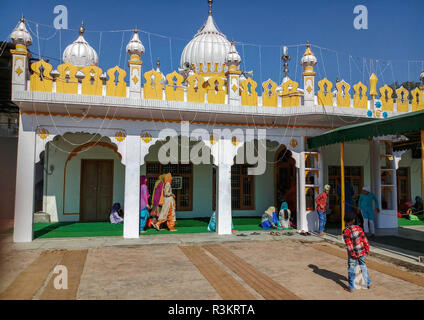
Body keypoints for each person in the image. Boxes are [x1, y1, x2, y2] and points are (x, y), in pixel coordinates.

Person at [343, 211, 371, 292]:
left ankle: (351, 287)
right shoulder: (359, 228)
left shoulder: (346, 231)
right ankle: (368, 283)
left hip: (353, 254)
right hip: (362, 252)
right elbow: (364, 239)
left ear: (345, 221)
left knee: (352, 269)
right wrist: (367, 249)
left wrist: (353, 254)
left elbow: (349, 245)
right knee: (363, 266)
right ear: (353, 220)